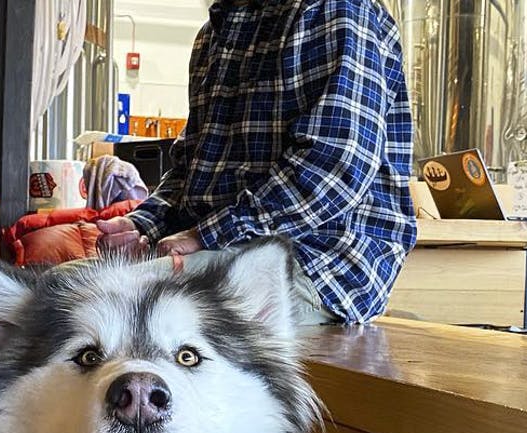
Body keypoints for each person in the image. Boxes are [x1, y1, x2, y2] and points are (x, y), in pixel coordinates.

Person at [96, 0, 417, 325]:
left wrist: (202, 235)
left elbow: (334, 168)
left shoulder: (332, 9)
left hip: (317, 259)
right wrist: (142, 225)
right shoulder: (216, 31)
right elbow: (187, 168)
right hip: (217, 246)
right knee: (62, 285)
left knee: (106, 302)